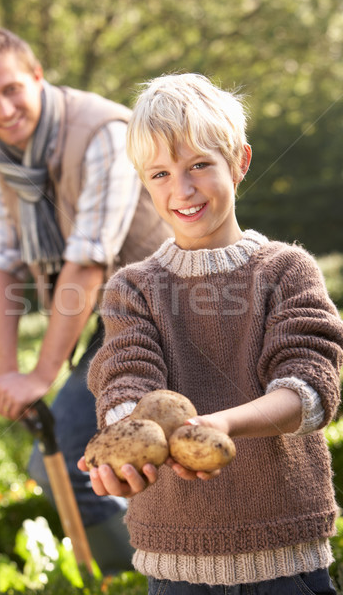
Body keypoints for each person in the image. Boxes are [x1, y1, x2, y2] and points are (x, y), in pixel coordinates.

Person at [78, 72, 343, 593]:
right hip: (174, 559)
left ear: (240, 162)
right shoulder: (132, 288)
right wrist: (123, 446)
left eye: (199, 164)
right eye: (159, 174)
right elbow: (124, 380)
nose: (182, 189)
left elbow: (311, 387)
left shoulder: (286, 271)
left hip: (284, 556)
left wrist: (221, 424)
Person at [0, 27, 172, 574]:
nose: (2, 109)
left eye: (10, 89)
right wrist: (9, 374)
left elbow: (89, 260)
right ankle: (142, 569)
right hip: (108, 314)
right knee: (61, 458)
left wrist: (41, 375)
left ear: (36, 76)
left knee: (75, 454)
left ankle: (148, 572)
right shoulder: (4, 152)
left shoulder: (103, 131)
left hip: (166, 306)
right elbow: (2, 258)